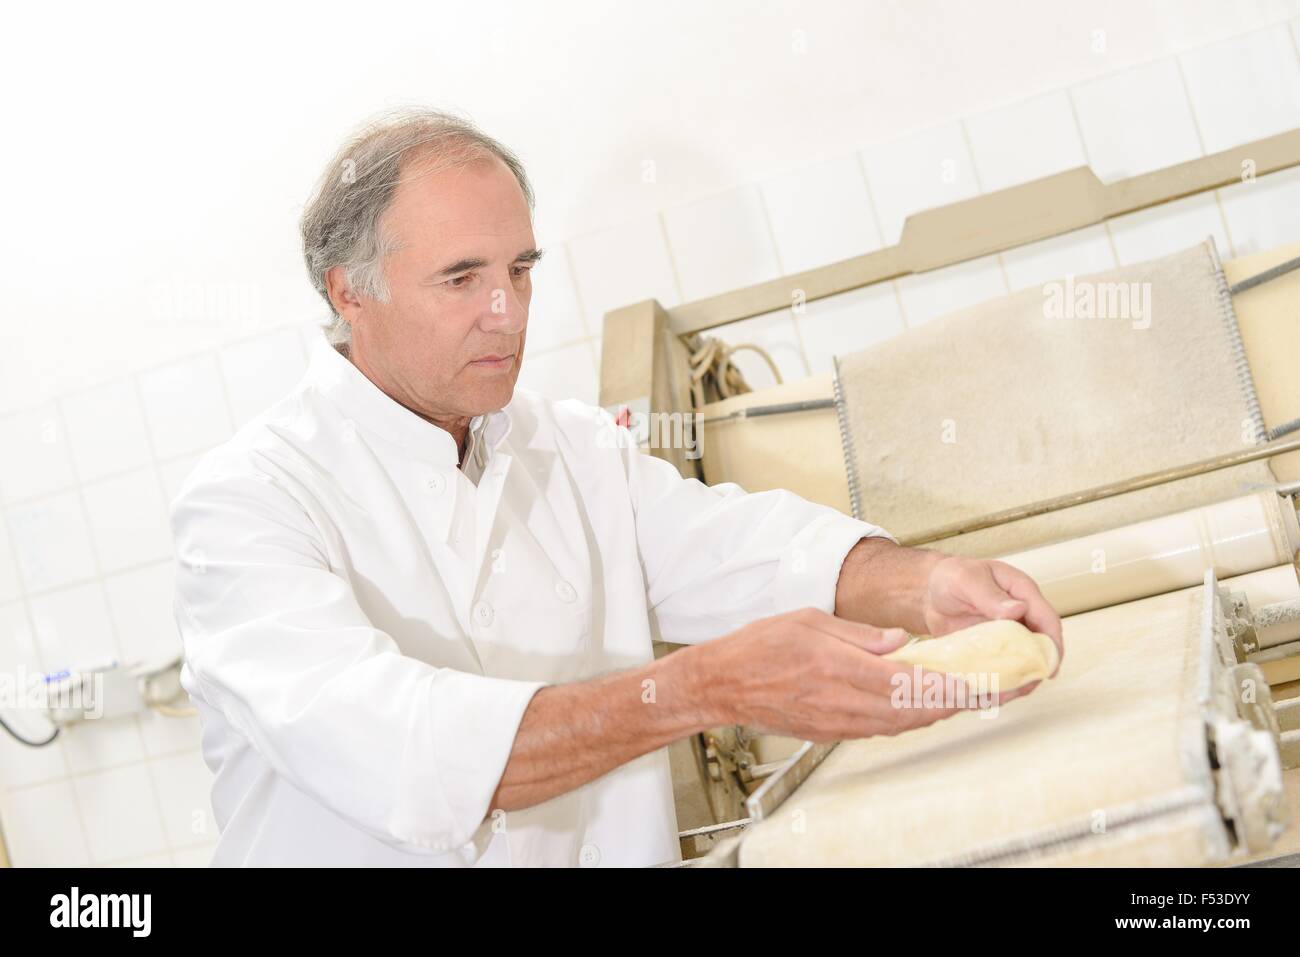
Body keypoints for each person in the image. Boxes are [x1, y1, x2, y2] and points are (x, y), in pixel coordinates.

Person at [170, 107, 1063, 867]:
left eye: (521, 270)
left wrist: (919, 582)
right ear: (348, 292)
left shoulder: (568, 446)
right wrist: (704, 687)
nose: (508, 313)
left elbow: (733, 548)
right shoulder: (250, 503)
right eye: (462, 279)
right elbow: (404, 750)